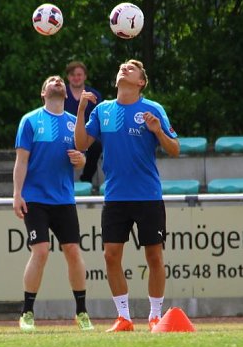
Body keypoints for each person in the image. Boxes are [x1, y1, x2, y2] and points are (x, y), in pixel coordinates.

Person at [75, 59, 180, 332]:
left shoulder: (153, 109)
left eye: (131, 69)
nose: (124, 69)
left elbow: (174, 149)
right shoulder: (103, 110)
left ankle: (155, 316)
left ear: (140, 82)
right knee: (110, 256)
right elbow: (81, 144)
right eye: (122, 67)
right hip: (115, 196)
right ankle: (124, 318)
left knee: (154, 256)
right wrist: (81, 110)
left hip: (148, 195)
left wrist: (158, 131)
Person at [13, 75, 94, 332]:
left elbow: (83, 158)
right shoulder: (30, 120)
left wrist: (81, 160)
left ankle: (81, 312)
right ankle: (27, 312)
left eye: (60, 80)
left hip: (63, 199)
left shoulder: (74, 123)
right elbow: (21, 161)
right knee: (41, 251)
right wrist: (17, 194)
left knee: (73, 251)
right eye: (51, 80)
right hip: (35, 198)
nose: (57, 81)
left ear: (66, 93)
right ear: (43, 92)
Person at [63, 61, 104, 185]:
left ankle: (86, 179)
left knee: (96, 145)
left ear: (85, 76)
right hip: (65, 133)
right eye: (72, 75)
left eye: (79, 75)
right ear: (68, 77)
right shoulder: (61, 94)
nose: (76, 78)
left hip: (87, 135)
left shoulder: (94, 95)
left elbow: (98, 121)